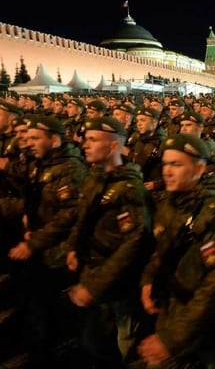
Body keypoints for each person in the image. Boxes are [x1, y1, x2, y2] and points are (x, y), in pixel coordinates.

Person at [138, 133, 215, 368]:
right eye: (165, 164)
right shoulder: (170, 204)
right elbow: (161, 251)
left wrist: (171, 338)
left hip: (212, 326)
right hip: (174, 310)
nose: (166, 171)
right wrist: (148, 280)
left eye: (176, 164)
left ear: (198, 169)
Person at [64, 116, 154, 367]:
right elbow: (83, 216)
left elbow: (132, 245)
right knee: (95, 340)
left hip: (119, 282)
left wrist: (95, 286)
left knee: (125, 341)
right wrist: (74, 246)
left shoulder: (130, 190)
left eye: (93, 139)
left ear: (114, 146)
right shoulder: (96, 178)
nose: (85, 144)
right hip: (95, 272)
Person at [7, 114, 87, 366]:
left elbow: (69, 215)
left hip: (57, 251)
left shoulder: (69, 168)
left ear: (54, 140)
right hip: (41, 246)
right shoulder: (40, 162)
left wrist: (35, 241)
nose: (27, 142)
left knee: (48, 310)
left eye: (34, 138)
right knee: (36, 304)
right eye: (26, 137)